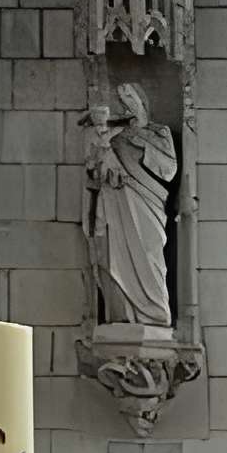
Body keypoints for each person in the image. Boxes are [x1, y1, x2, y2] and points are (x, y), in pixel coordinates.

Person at [84, 84, 178, 327]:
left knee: (149, 253)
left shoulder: (159, 132)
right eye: (121, 98)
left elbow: (168, 170)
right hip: (117, 202)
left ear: (142, 100)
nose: (125, 101)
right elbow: (95, 171)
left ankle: (155, 313)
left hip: (148, 201)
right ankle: (123, 315)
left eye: (129, 96)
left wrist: (141, 143)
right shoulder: (114, 136)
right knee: (116, 255)